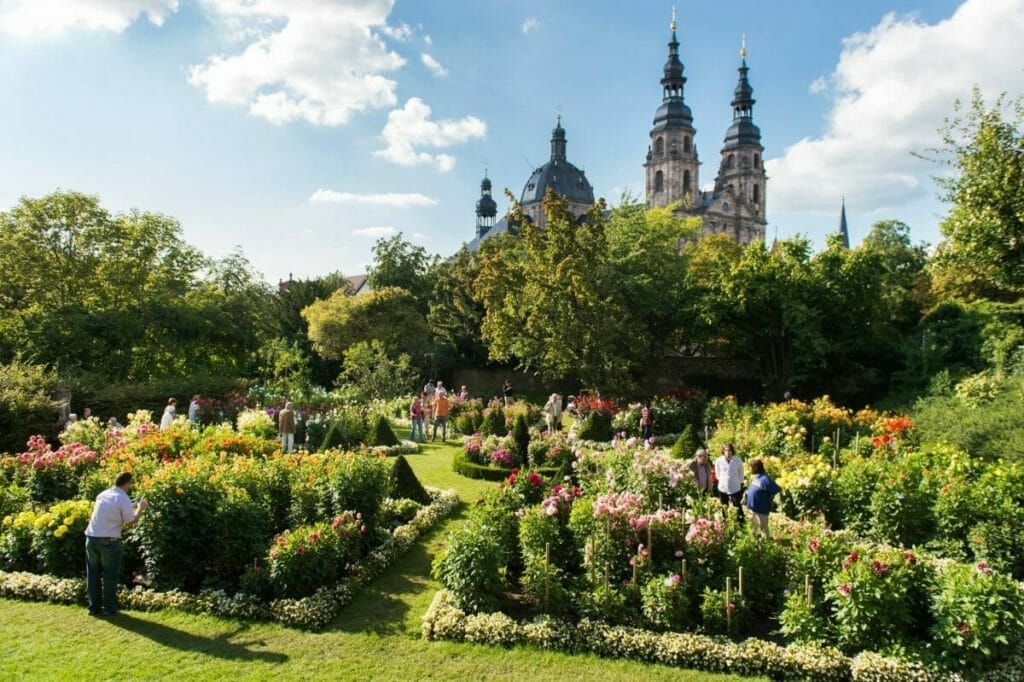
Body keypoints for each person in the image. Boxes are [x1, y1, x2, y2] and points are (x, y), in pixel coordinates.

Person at [84, 471, 148, 616]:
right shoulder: (123, 498)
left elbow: (113, 509)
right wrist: (140, 509)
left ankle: (93, 608)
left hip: (91, 538)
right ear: (127, 483)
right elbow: (130, 522)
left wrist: (132, 506)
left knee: (93, 574)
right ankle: (110, 608)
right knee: (109, 575)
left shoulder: (103, 494)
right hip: (109, 541)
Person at [744, 458, 782, 537]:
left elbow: (776, 489)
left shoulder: (765, 479)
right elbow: (753, 488)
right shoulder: (757, 477)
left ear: (756, 468)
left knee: (763, 527)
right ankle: (757, 540)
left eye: (751, 467)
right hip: (753, 507)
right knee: (755, 526)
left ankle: (766, 542)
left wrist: (771, 500)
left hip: (761, 509)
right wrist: (746, 495)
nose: (750, 469)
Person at [714, 443, 745, 523]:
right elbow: (717, 473)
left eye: (730, 451)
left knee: (737, 505)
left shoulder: (737, 461)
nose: (728, 452)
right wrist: (721, 480)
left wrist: (739, 482)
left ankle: (741, 521)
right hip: (723, 487)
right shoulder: (719, 460)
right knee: (724, 506)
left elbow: (741, 473)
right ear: (723, 451)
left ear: (732, 451)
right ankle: (725, 521)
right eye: (726, 450)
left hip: (735, 487)